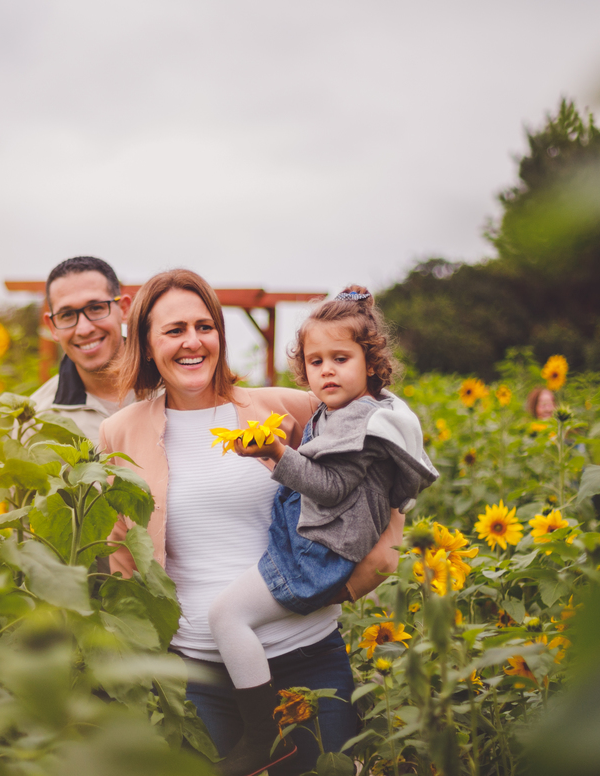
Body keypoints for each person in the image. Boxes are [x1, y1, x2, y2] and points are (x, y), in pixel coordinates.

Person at [98, 270, 406, 776]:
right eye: (174, 330)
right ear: (149, 346)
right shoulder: (121, 433)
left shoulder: (289, 408)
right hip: (198, 674)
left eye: (204, 325)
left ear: (220, 333)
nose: (192, 342)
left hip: (307, 654)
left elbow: (379, 473)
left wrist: (363, 573)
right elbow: (123, 554)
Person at [207, 287, 437, 775]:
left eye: (341, 357)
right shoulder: (351, 411)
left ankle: (263, 736)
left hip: (317, 555)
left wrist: (274, 452)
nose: (327, 370)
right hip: (316, 547)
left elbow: (330, 488)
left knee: (226, 617)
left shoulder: (360, 424)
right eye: (316, 361)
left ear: (371, 364)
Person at [29, 256, 134, 441]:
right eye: (67, 314)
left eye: (96, 308)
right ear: (52, 327)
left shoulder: (171, 387)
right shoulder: (35, 420)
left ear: (124, 309)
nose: (84, 329)